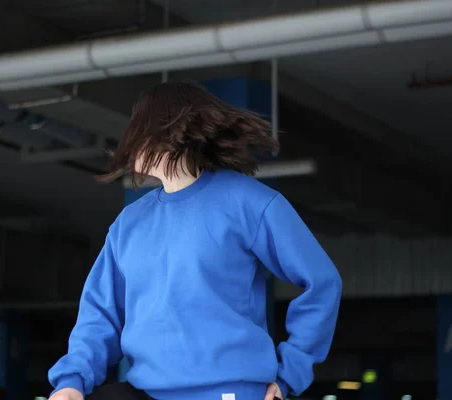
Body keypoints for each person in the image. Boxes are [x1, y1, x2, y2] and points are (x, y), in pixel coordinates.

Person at [48, 81, 342, 400]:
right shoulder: (128, 224)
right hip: (146, 392)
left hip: (229, 392)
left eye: (141, 127)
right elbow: (100, 313)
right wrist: (71, 381)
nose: (131, 140)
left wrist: (290, 372)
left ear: (174, 131)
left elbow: (321, 283)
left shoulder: (250, 203)